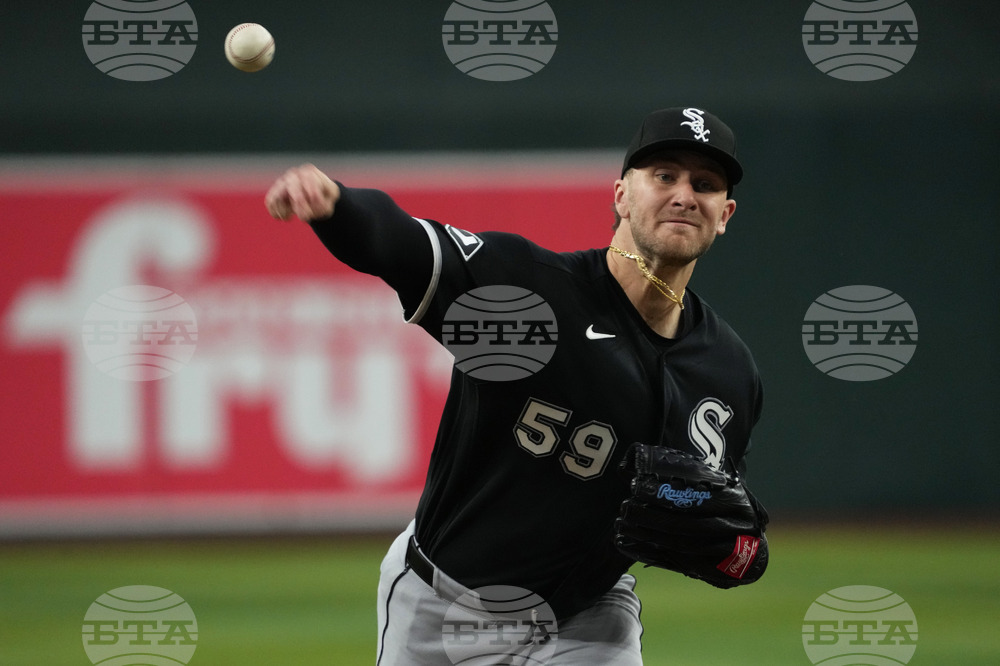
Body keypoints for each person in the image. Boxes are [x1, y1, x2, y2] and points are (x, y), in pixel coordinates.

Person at [265, 107, 767, 665]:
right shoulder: (529, 294)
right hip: (442, 606)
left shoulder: (728, 371)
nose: (683, 195)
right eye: (664, 176)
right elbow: (404, 244)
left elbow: (722, 515)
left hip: (590, 620)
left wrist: (738, 551)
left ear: (725, 214)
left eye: (705, 184)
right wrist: (336, 205)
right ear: (622, 196)